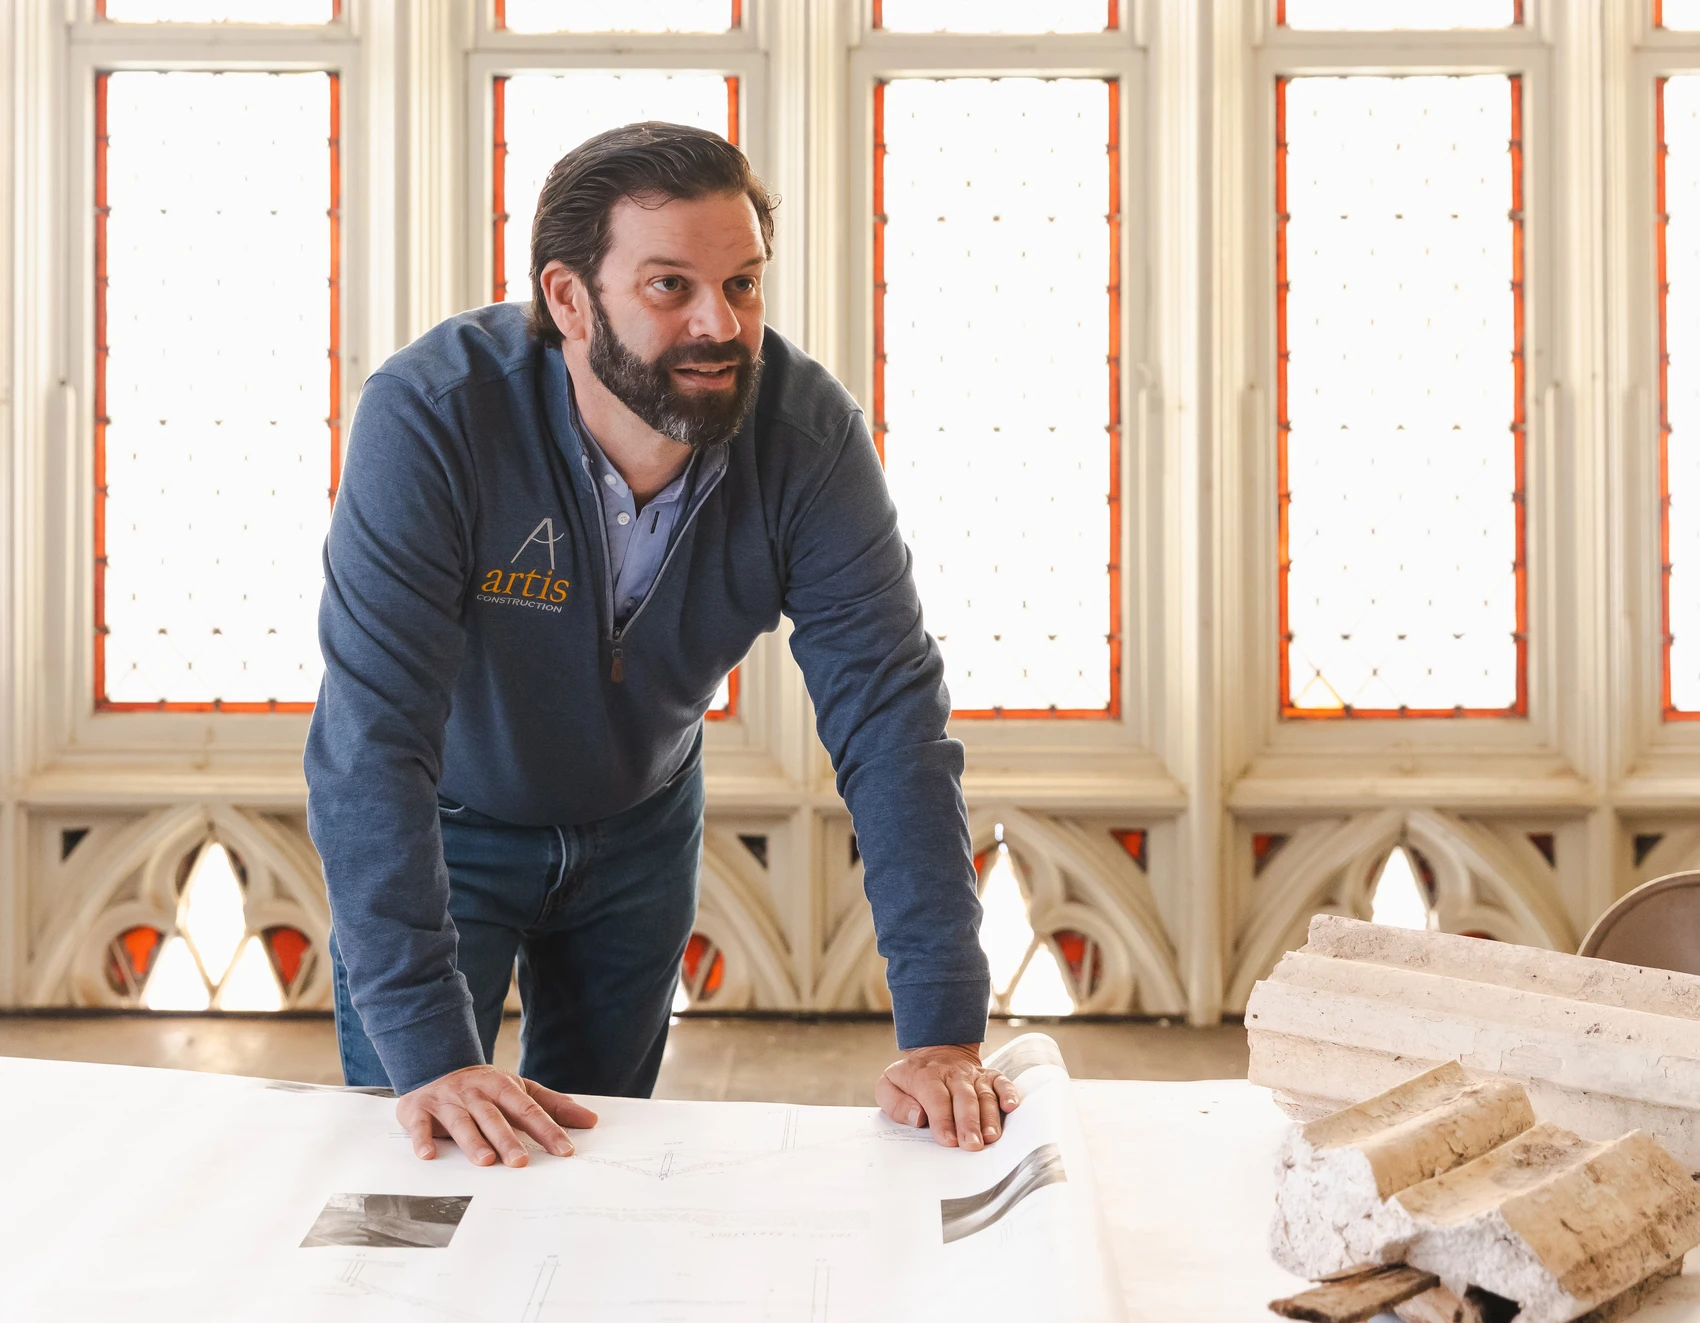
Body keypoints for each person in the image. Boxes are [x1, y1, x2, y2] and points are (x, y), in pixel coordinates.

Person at [305, 121, 1016, 1169]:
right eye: (669, 287)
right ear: (565, 298)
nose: (717, 324)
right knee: (434, 1150)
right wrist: (428, 1056)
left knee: (595, 1163)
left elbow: (890, 723)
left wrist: (944, 1032)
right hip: (445, 827)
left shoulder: (808, 440)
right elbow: (369, 739)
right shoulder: (433, 418)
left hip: (638, 833)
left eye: (742, 285)